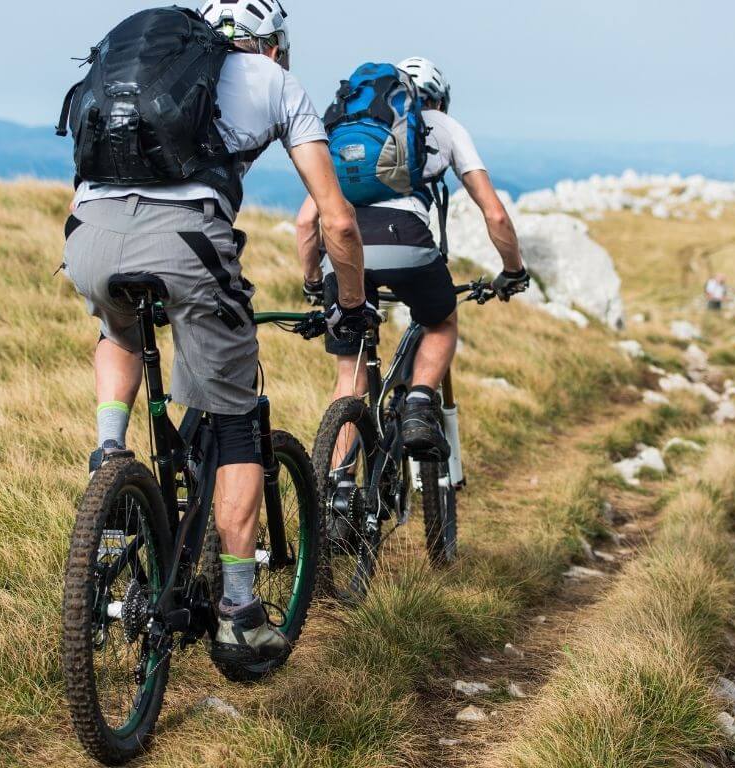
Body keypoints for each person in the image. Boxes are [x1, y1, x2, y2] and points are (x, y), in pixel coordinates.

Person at [61, 2, 375, 666]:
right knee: (236, 423)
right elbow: (337, 221)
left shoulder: (135, 73)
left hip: (89, 238)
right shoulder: (272, 81)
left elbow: (86, 176)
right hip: (186, 245)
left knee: (120, 330)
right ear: (269, 44)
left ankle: (109, 453)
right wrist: (349, 304)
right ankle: (237, 613)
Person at [296, 56, 530, 458]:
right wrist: (513, 270)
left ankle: (335, 488)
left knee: (348, 380)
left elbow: (305, 223)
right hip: (408, 242)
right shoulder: (445, 126)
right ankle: (421, 402)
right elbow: (494, 212)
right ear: (438, 100)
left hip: (343, 250)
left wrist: (314, 280)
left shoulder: (351, 131)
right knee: (441, 320)